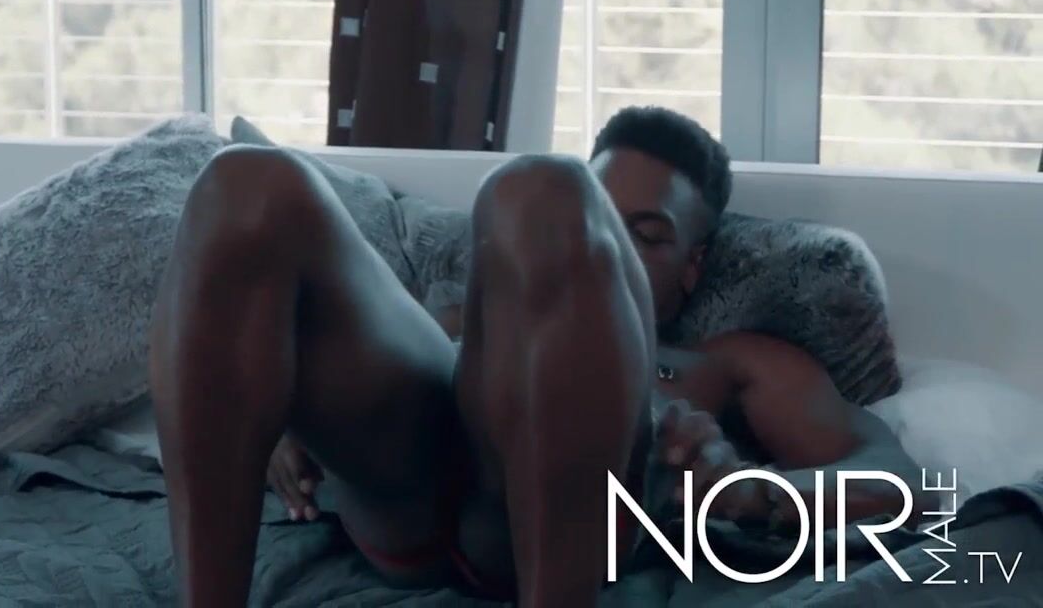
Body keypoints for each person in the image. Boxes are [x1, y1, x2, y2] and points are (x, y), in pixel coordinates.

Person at [149, 106, 929, 607]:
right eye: (600, 217)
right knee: (241, 185)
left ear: (693, 267)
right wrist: (282, 417)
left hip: (543, 533)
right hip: (404, 489)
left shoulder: (725, 364)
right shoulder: (456, 313)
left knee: (543, 186)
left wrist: (749, 492)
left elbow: (895, 483)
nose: (607, 245)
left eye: (642, 235)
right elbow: (326, 362)